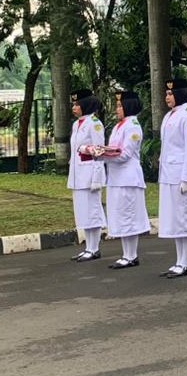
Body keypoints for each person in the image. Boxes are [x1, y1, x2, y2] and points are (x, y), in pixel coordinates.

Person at [158, 78, 187, 278]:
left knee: (186, 218)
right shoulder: (169, 116)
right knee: (176, 219)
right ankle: (179, 260)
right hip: (169, 174)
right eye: (167, 93)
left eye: (171, 93)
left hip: (182, 174)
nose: (167, 97)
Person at [99, 90, 150, 268]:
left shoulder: (133, 126)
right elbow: (113, 149)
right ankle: (126, 254)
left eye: (120, 106)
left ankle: (131, 255)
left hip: (128, 178)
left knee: (129, 216)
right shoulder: (118, 126)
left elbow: (125, 154)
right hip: (116, 177)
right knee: (120, 215)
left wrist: (102, 155)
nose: (117, 109)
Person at [68, 88, 107, 262]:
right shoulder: (76, 124)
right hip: (78, 174)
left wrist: (97, 178)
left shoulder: (94, 123)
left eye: (77, 104)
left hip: (90, 173)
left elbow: (99, 151)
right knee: (83, 211)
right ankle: (88, 247)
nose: (74, 107)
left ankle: (94, 248)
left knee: (93, 211)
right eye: (73, 104)